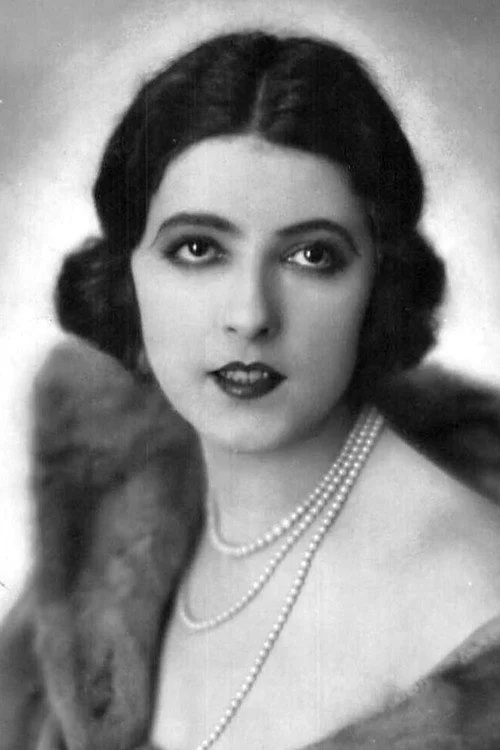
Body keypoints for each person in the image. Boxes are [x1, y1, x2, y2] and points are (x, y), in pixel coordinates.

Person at [1, 29, 500, 750]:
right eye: (198, 248)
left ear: (381, 282)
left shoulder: (468, 599)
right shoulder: (107, 510)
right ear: (127, 273)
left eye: (312, 255)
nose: (251, 315)